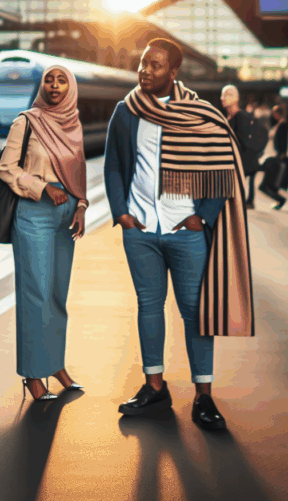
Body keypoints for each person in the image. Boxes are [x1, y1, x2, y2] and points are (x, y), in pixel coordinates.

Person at [104, 38, 255, 431]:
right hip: (141, 229)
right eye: (142, 63)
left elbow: (221, 171)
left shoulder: (200, 114)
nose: (145, 71)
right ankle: (155, 387)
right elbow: (115, 166)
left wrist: (202, 219)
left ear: (173, 73)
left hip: (185, 231)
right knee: (148, 308)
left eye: (155, 66)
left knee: (195, 314)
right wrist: (121, 212)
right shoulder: (125, 111)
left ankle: (204, 397)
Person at [0, 65, 88, 401]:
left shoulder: (74, 123)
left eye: (61, 79)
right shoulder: (27, 120)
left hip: (66, 215)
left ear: (71, 87)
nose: (54, 85)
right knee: (35, 295)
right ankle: (34, 374)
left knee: (56, 295)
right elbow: (7, 169)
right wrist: (42, 187)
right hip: (34, 213)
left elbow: (78, 172)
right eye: (49, 79)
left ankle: (55, 364)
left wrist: (81, 206)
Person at [223, 85, 266, 210]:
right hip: (251, 156)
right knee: (248, 180)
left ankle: (243, 201)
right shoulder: (248, 119)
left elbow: (240, 139)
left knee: (241, 180)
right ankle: (247, 201)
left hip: (246, 158)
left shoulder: (241, 118)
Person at [259, 105, 288, 210]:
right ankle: (279, 199)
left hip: (277, 158)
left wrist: (282, 154)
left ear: (277, 113)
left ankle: (280, 200)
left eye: (274, 113)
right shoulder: (279, 124)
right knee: (269, 185)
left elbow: (284, 141)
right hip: (275, 156)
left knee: (265, 186)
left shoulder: (282, 124)